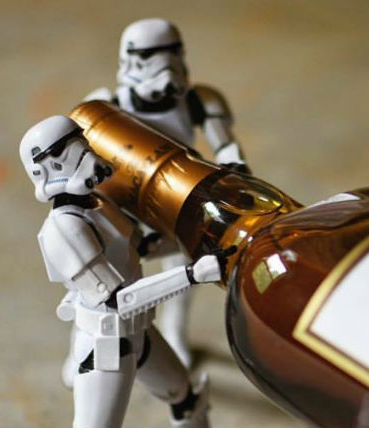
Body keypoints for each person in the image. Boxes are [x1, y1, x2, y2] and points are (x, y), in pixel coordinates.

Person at [20, 115, 225, 428]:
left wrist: (198, 241)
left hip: (139, 332)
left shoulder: (98, 203)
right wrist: (191, 275)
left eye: (79, 141)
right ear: (44, 168)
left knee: (185, 398)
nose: (82, 152)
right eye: (64, 149)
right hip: (106, 345)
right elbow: (119, 299)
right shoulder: (63, 230)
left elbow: (143, 247)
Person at [84, 18, 250, 367]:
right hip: (123, 201)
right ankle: (84, 348)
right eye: (151, 55)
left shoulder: (199, 100)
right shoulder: (106, 106)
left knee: (185, 266)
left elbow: (226, 146)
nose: (165, 65)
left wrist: (236, 178)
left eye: (172, 52)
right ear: (131, 59)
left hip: (183, 194)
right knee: (102, 282)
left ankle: (174, 332)